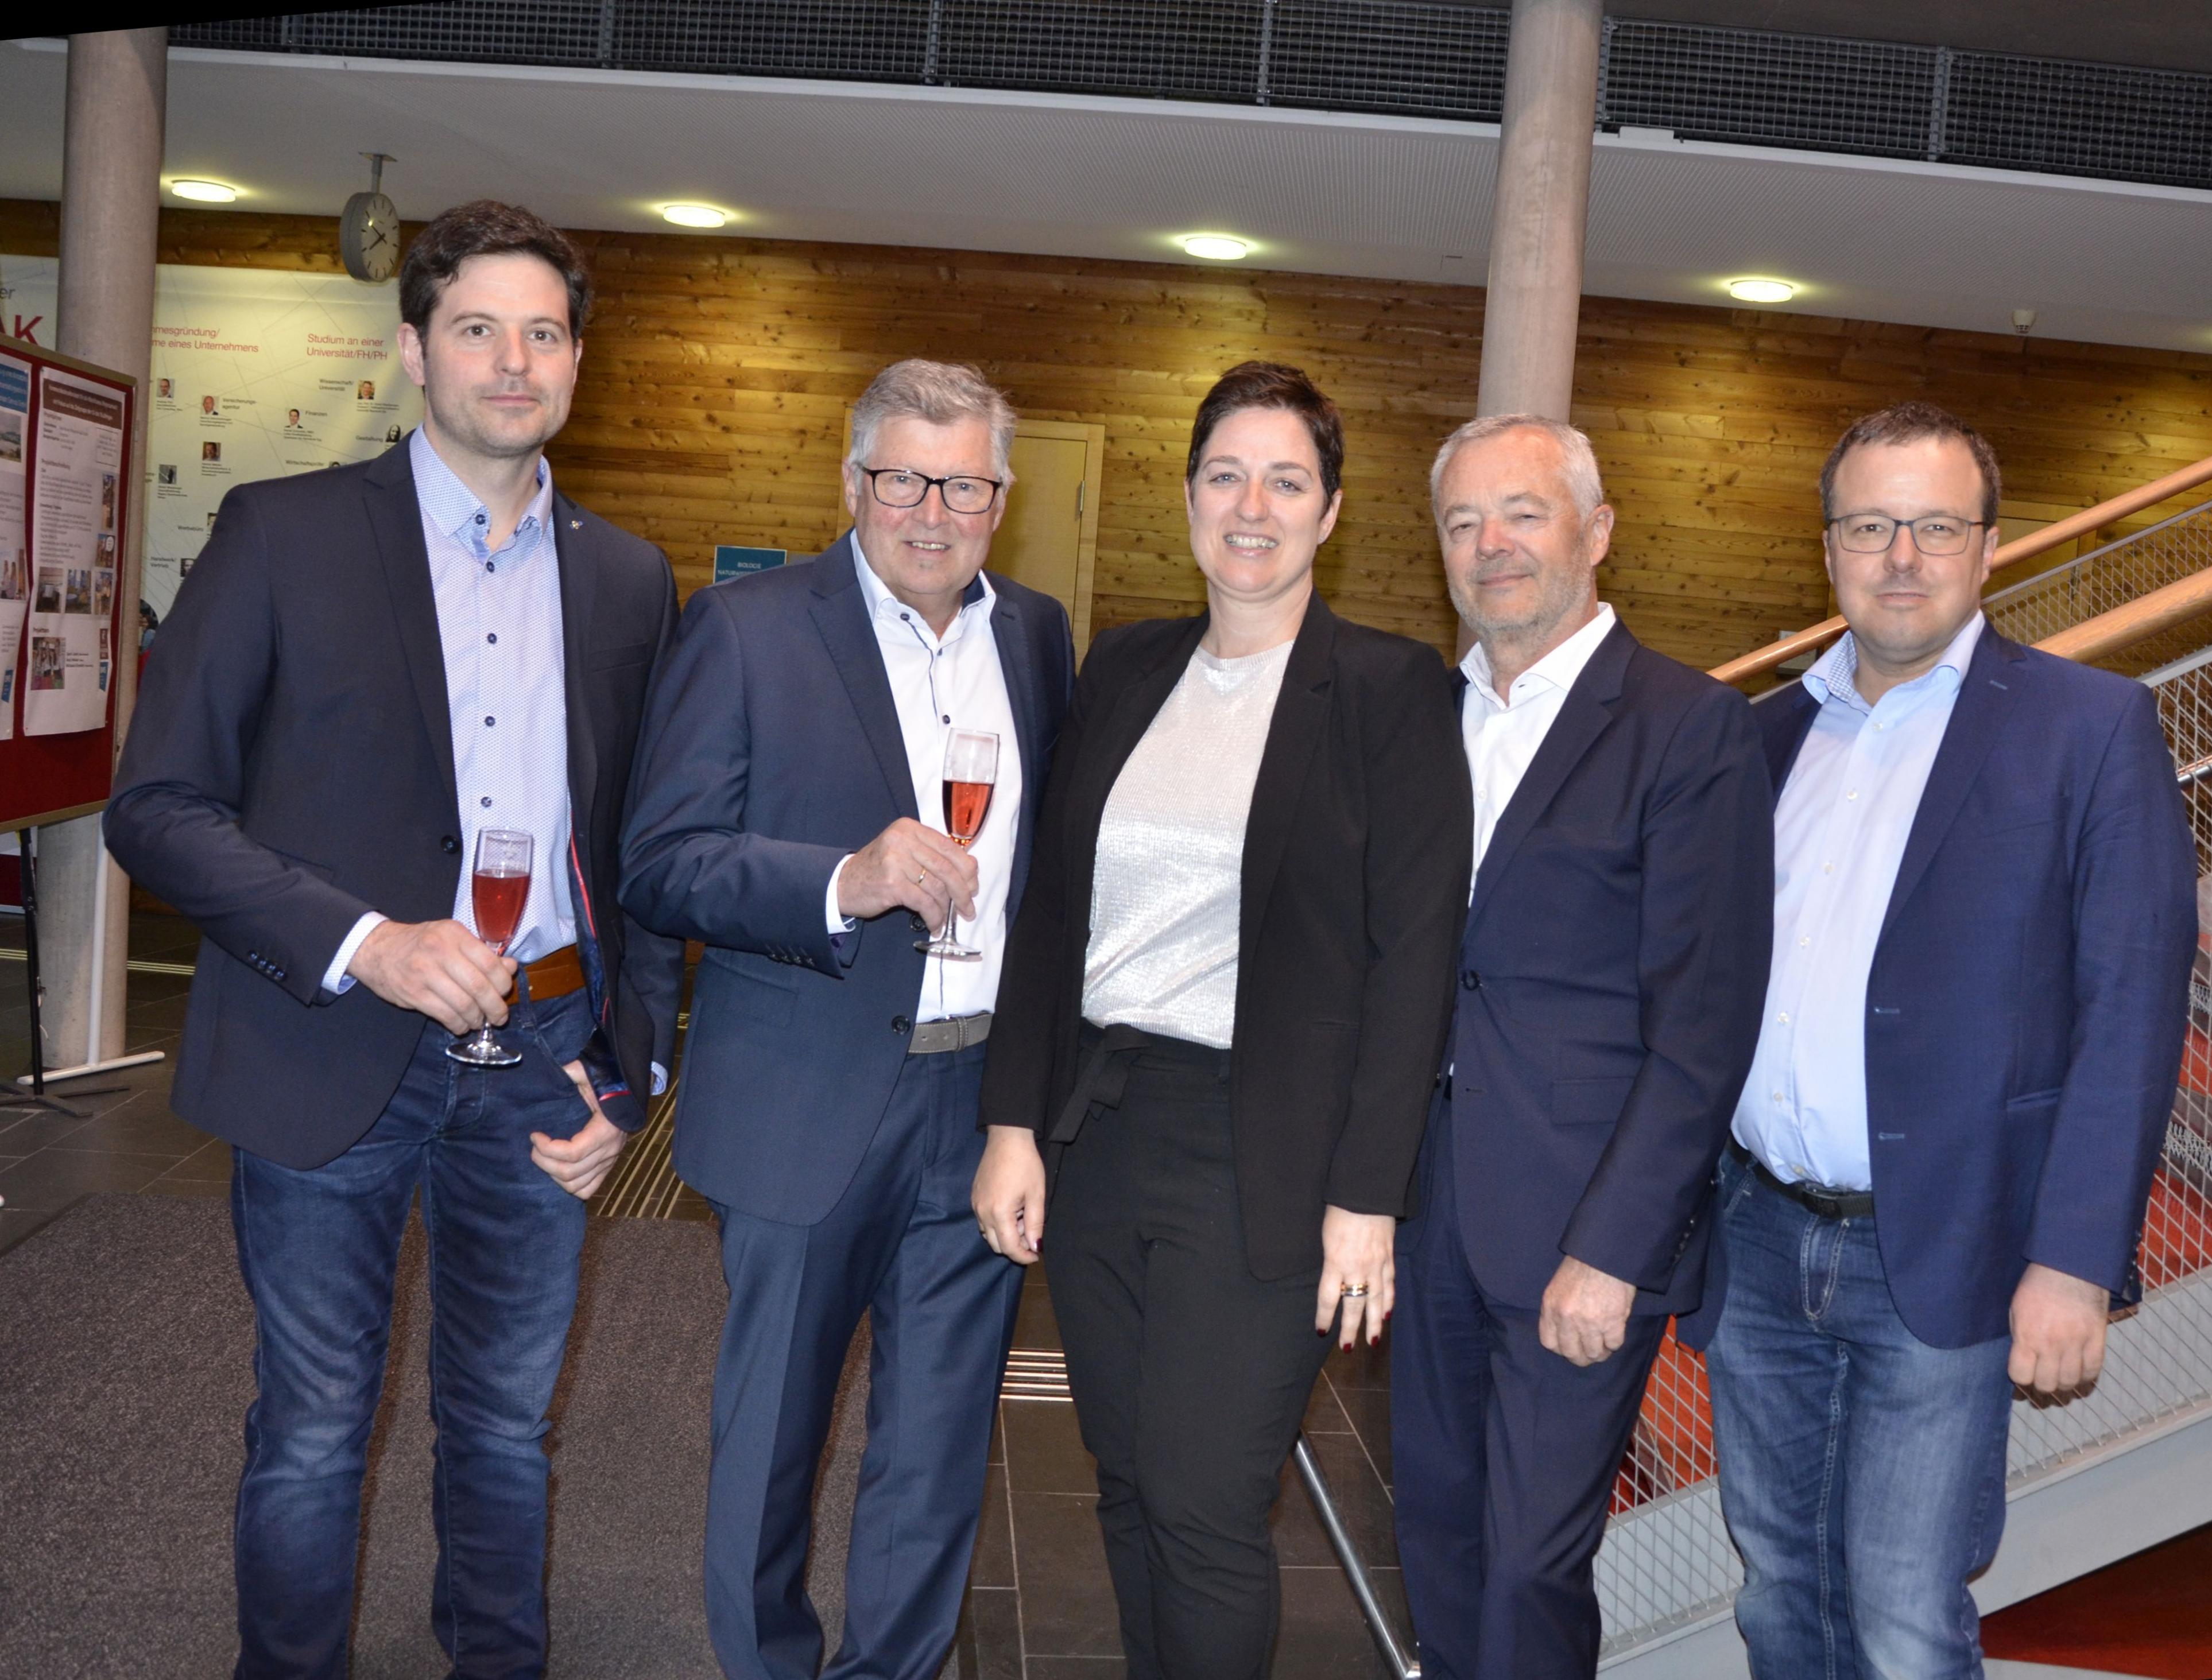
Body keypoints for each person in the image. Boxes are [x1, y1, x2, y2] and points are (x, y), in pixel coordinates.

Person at [104, 200, 683, 1679]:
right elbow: (157, 808)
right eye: (478, 328)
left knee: (505, 1424)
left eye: (544, 332)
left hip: (543, 1053)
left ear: (577, 360)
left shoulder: (626, 578)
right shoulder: (283, 534)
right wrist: (364, 941)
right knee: (313, 1425)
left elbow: (635, 851)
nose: (514, 360)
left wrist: (626, 1072)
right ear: (415, 350)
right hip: (328, 1041)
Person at [1680, 401, 2199, 1677]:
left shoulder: (2088, 728)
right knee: (1778, 1591)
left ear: (1989, 545)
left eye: (1935, 526)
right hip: (1757, 1238)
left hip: (1950, 1246)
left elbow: (2131, 1011)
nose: (1901, 556)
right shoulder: (1761, 737)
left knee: (1903, 1615)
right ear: (1828, 549)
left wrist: (2073, 1262)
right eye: (1869, 526)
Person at [975, 361, 1472, 1677]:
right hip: (1098, 1127)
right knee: (1127, 1477)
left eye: (1284, 481)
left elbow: (1413, 965)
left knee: (1203, 1502)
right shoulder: (1127, 664)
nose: (1251, 506)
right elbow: (1051, 911)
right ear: (1189, 495)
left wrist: (1366, 1199)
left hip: (1265, 1153)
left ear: (1330, 511)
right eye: (1225, 476)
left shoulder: (1388, 690)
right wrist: (1013, 1122)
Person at [619, 359, 1074, 1680]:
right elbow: (661, 863)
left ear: (1002, 497)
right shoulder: (746, 628)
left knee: (936, 1452)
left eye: (963, 485)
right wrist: (840, 882)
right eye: (901, 480)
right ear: (850, 483)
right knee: (772, 1440)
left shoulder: (1037, 634)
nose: (931, 512)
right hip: (804, 1098)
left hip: (980, 1103)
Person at [1388, 415, 1775, 1676]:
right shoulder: (1422, 718)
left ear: (1596, 532)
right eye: (1462, 522)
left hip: (1578, 1231)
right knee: (1437, 1538)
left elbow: (1703, 1026)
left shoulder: (1688, 726)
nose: (1490, 544)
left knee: (1526, 1568)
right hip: (1423, 1216)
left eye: (1523, 513)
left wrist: (1612, 1250)